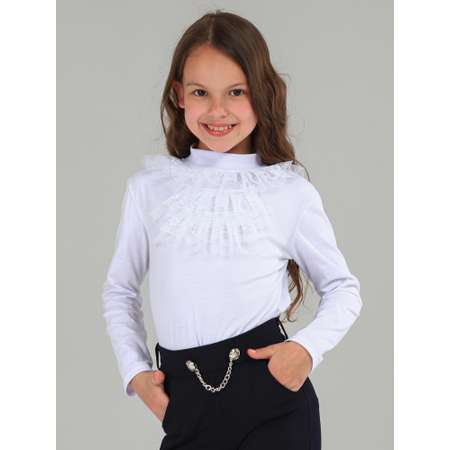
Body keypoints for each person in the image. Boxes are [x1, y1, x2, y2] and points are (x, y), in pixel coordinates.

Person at [102, 10, 363, 450]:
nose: (217, 110)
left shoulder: (288, 192)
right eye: (201, 92)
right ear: (179, 95)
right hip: (186, 404)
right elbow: (120, 289)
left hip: (273, 404)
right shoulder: (150, 189)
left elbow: (343, 288)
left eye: (236, 92)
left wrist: (306, 350)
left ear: (261, 94)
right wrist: (136, 373)